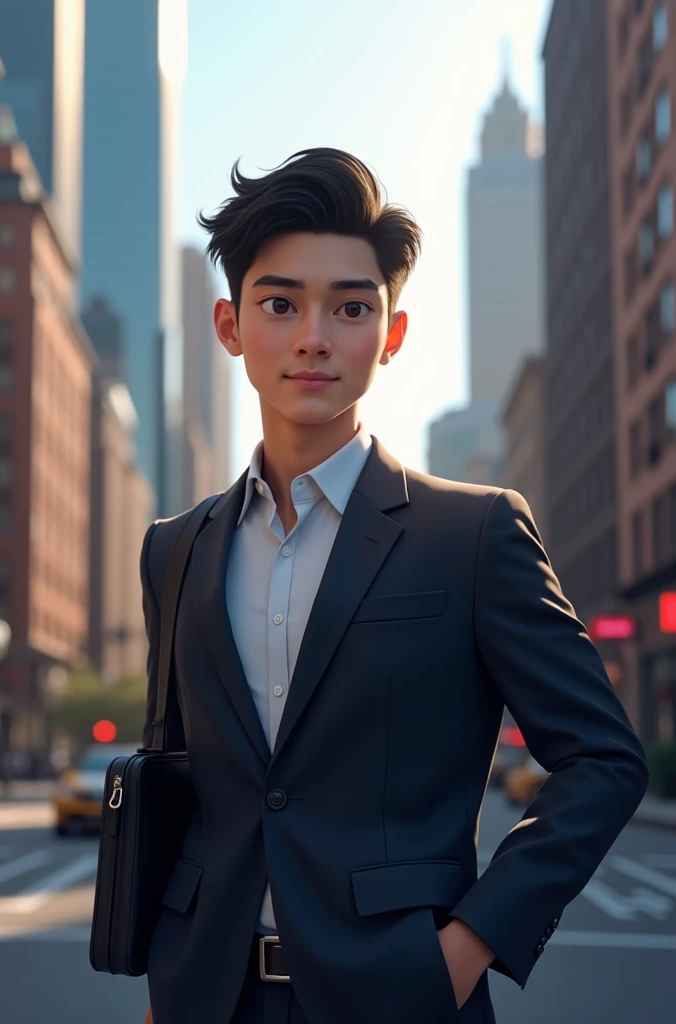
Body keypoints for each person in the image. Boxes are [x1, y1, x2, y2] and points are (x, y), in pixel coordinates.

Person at [140, 148, 648, 1024]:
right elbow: (183, 779)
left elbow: (603, 760)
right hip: (204, 999)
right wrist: (165, 976)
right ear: (230, 326)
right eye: (279, 304)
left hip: (403, 997)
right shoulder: (174, 548)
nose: (313, 336)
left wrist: (466, 946)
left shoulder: (476, 533)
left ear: (393, 334)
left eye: (350, 306)